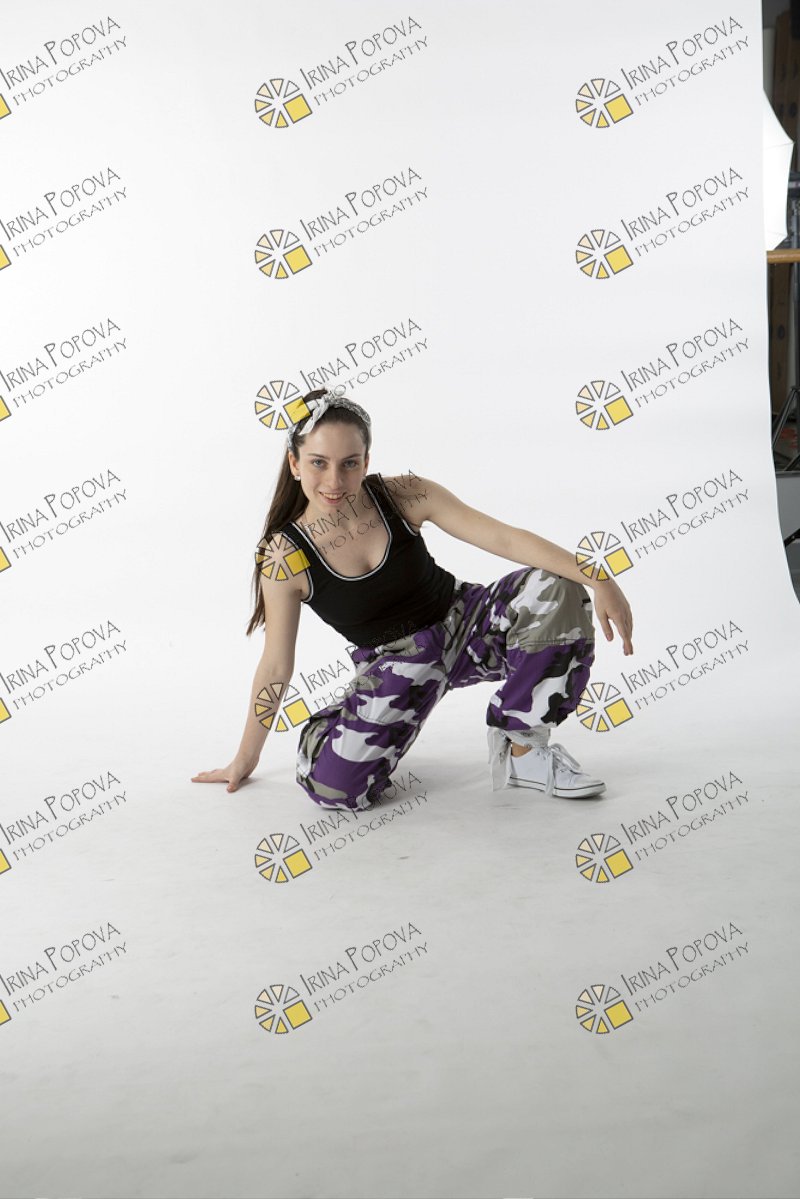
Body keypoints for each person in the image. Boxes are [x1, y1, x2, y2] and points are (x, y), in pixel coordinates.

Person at [192, 388, 634, 808]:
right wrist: (245, 758)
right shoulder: (284, 558)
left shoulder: (404, 493)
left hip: (467, 625)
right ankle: (336, 729)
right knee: (336, 792)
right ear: (294, 463)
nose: (334, 480)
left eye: (349, 463)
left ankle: (523, 750)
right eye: (318, 463)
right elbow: (275, 665)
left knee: (556, 589)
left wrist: (599, 579)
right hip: (396, 666)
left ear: (366, 461)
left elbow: (504, 538)